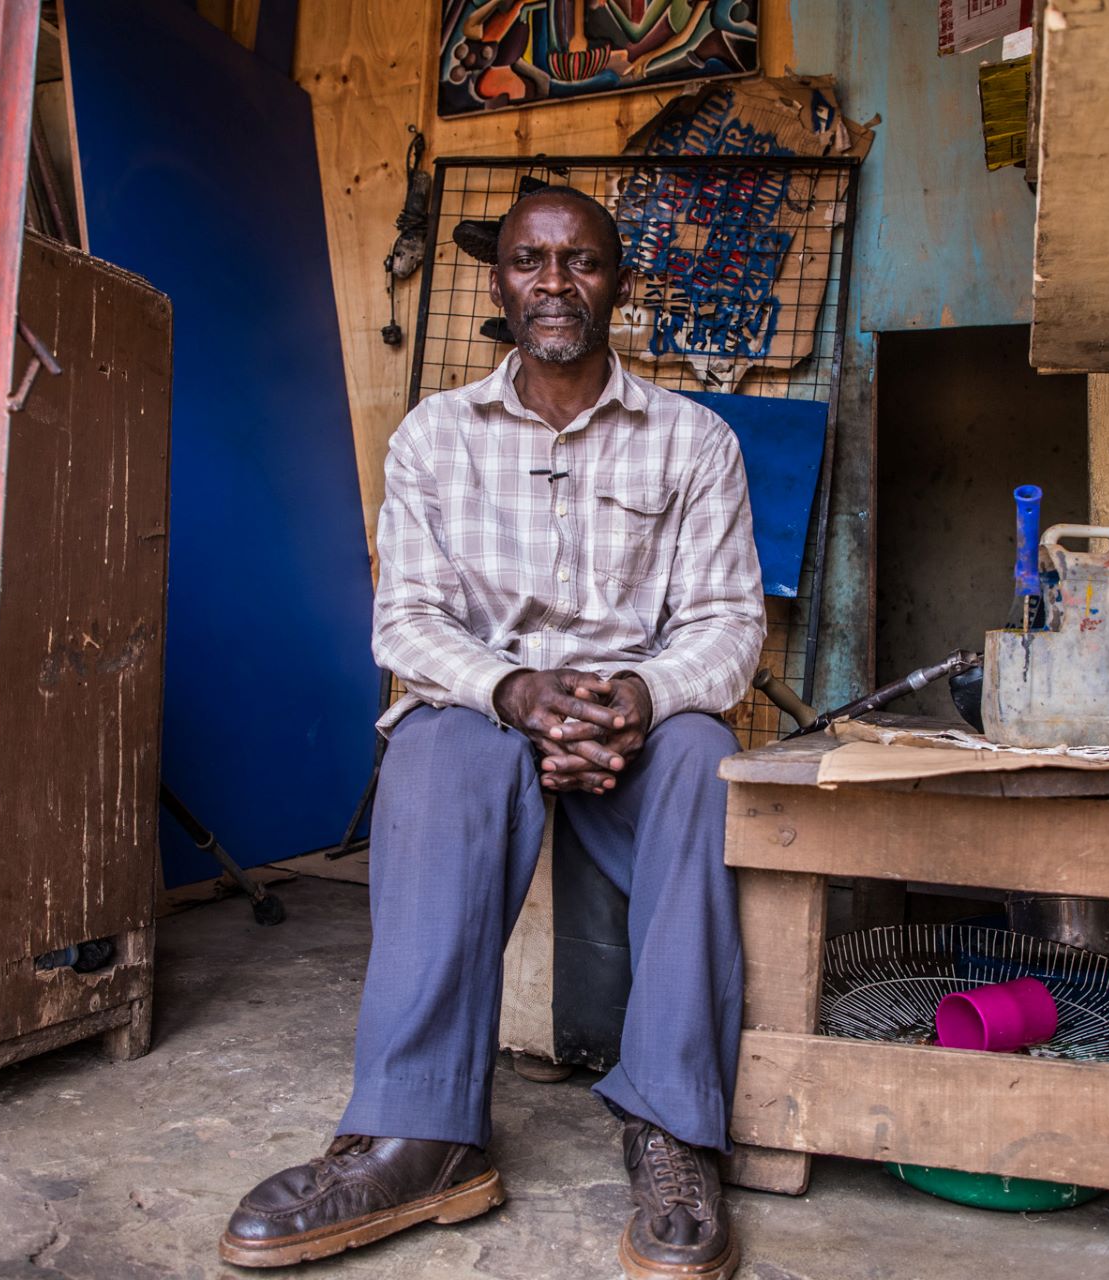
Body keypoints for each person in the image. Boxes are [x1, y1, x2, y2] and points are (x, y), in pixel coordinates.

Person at [220, 185, 765, 1280]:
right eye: (530, 260)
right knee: (428, 751)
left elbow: (728, 623)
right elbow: (408, 620)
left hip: (632, 725)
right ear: (500, 279)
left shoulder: (696, 439)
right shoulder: (435, 437)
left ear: (622, 282)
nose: (556, 283)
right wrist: (514, 691)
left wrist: (641, 697)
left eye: (583, 262)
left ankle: (674, 1126)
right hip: (490, 713)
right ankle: (420, 1135)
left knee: (710, 759)